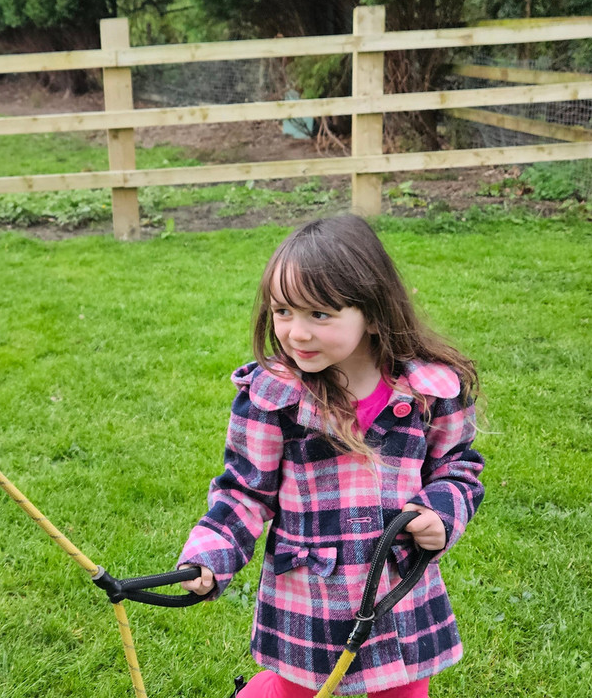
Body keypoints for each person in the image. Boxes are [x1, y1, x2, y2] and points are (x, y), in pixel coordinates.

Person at [178, 215, 484, 698]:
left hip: (399, 594)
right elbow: (244, 492)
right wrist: (209, 556)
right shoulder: (272, 398)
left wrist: (441, 511)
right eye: (283, 311)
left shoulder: (429, 391)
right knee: (296, 693)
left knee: (404, 692)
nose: (296, 333)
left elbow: (459, 466)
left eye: (319, 315)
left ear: (374, 313)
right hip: (309, 599)